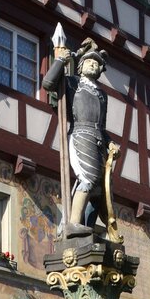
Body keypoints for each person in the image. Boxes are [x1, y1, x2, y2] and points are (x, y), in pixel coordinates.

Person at [43, 40, 118, 235]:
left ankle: (87, 229)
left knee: (99, 192)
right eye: (89, 61)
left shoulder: (103, 95)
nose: (93, 64)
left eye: (96, 63)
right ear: (81, 66)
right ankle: (73, 223)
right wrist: (61, 60)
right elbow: (48, 83)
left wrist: (110, 142)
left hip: (98, 140)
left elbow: (101, 125)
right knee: (88, 179)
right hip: (81, 134)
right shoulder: (72, 83)